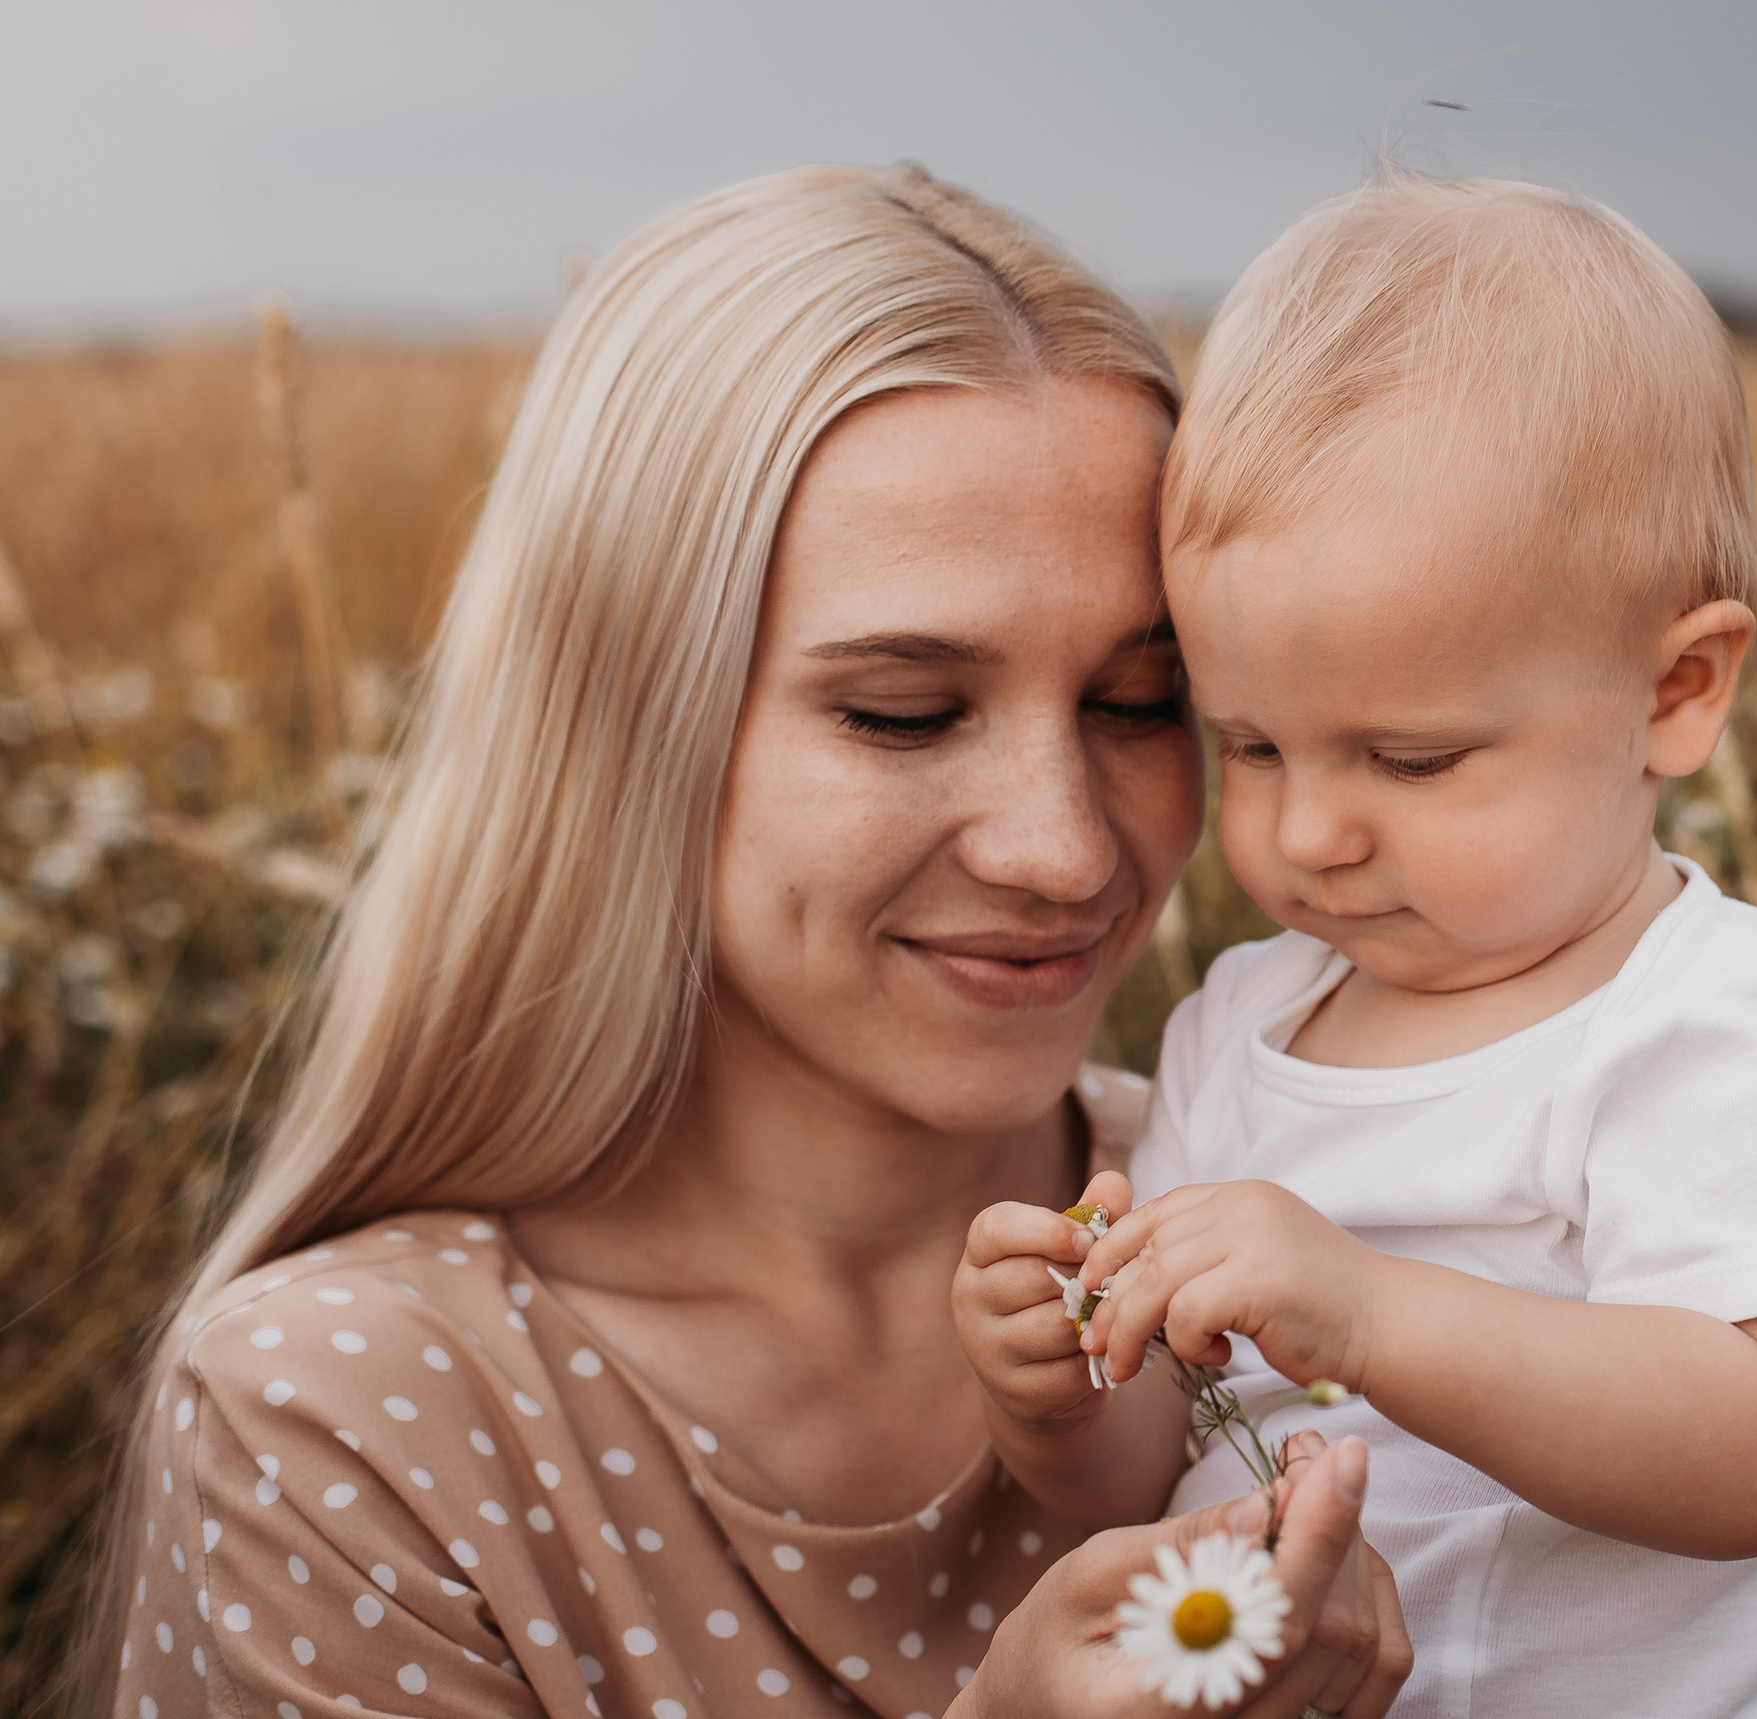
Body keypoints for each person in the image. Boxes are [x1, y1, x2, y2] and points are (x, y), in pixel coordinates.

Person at [96, 164, 1408, 1719]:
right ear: (627, 720)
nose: (1062, 848)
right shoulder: (344, 1421)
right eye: (904, 713)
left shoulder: (1336, 1218)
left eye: (1139, 701)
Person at [955, 174, 1757, 1716]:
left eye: (1410, 760)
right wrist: (1064, 1398)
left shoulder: (1718, 1025)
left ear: (1677, 693)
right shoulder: (1242, 1027)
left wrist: (1368, 1311)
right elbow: (1173, 1463)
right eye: (1252, 746)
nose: (1309, 833)